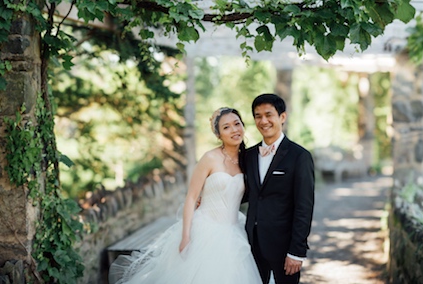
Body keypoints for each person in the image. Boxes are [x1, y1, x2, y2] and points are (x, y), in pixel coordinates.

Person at [109, 107, 262, 284]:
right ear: (218, 134)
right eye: (226, 127)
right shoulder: (210, 158)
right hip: (205, 230)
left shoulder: (249, 159)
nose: (234, 130)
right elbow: (191, 198)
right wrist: (186, 236)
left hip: (234, 231)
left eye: (237, 124)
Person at [244, 93, 315, 284]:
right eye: (258, 116)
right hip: (251, 244)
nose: (263, 121)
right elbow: (245, 192)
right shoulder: (249, 155)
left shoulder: (299, 156)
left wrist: (297, 251)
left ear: (282, 117)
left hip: (285, 247)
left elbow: (304, 207)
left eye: (269, 114)